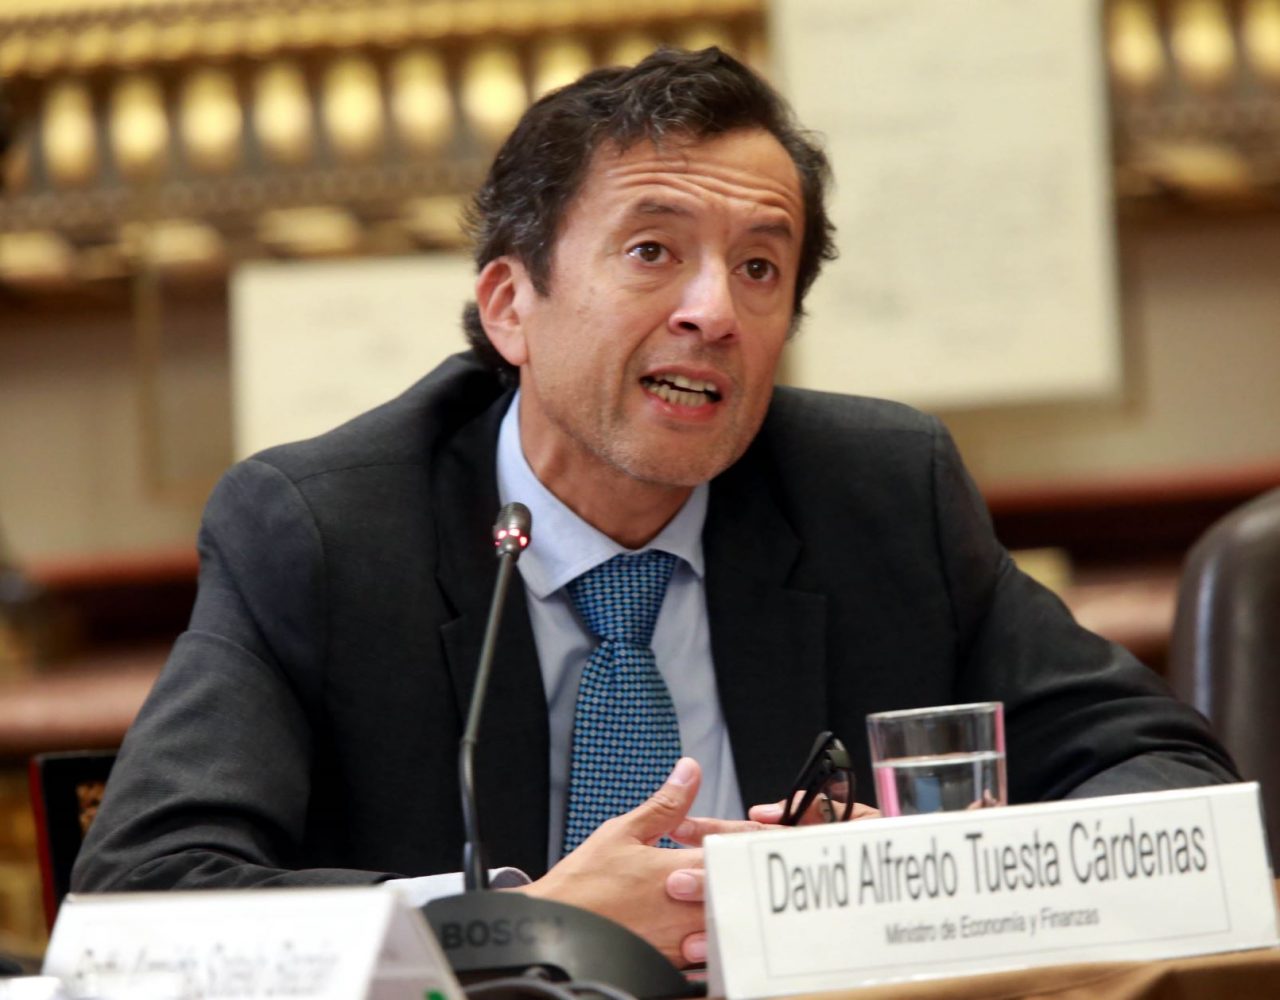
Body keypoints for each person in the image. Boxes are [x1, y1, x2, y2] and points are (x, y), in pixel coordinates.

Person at [72, 47, 1237, 968]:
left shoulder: (880, 495)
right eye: (650, 251)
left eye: (759, 267)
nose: (712, 312)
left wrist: (902, 882)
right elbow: (139, 911)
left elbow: (1171, 783)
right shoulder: (324, 533)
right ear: (509, 307)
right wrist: (521, 921)